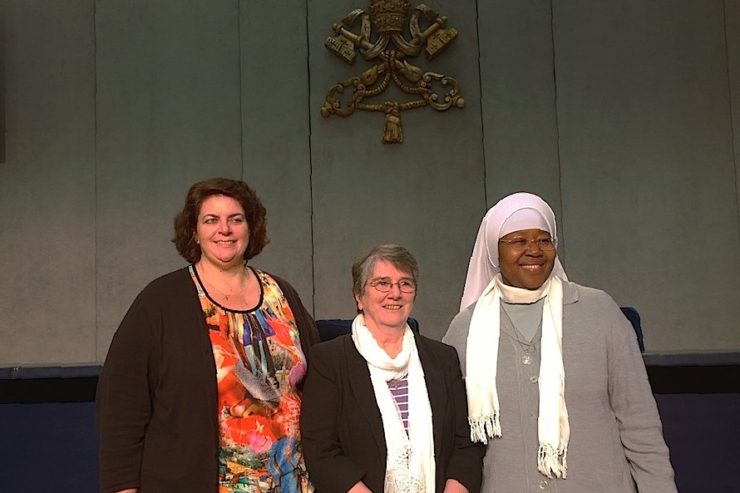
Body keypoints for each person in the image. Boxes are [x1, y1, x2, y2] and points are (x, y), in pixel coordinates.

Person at [443, 192, 677, 492]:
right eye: (518, 241)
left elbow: (639, 423)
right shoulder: (465, 330)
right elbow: (453, 440)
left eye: (544, 240)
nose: (533, 250)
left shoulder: (600, 312)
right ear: (493, 252)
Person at [96, 177, 319, 493]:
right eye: (211, 220)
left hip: (294, 482)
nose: (224, 229)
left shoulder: (281, 295)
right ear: (194, 231)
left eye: (236, 219)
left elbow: (320, 388)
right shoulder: (160, 302)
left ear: (251, 228)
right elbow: (122, 406)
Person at [300, 245, 484, 493]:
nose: (395, 293)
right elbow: (320, 449)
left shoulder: (443, 359)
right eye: (382, 283)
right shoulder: (329, 360)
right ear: (359, 297)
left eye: (405, 284)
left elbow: (466, 443)